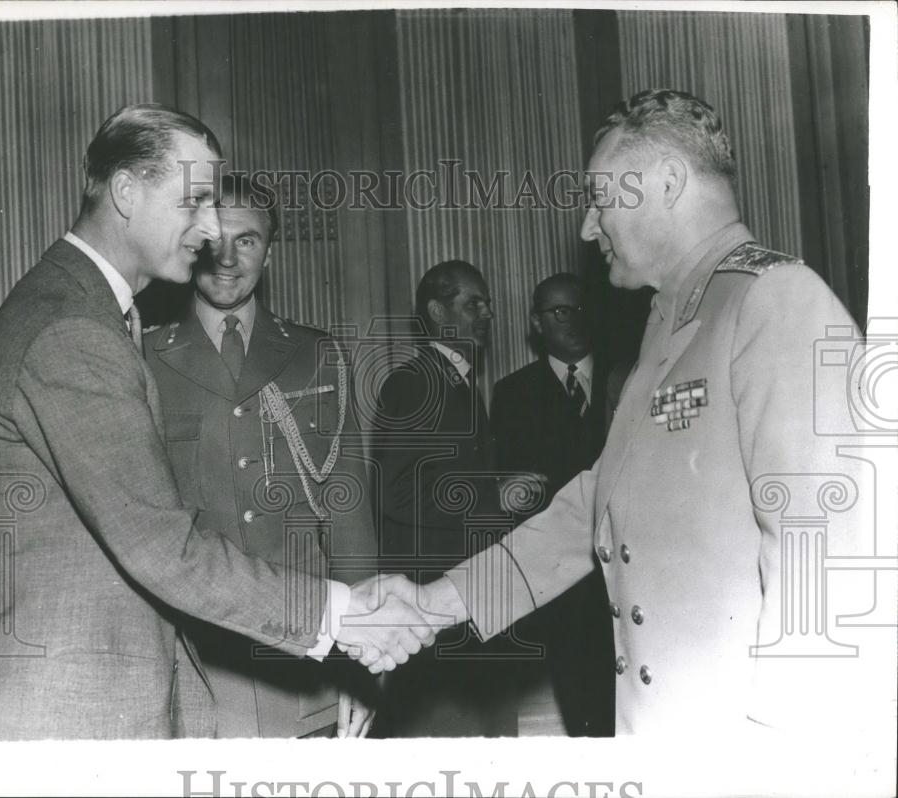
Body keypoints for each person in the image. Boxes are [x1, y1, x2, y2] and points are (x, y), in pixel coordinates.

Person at [398, 89, 875, 735]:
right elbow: (591, 506)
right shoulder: (665, 323)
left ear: (669, 182)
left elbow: (826, 550)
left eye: (600, 199)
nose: (589, 227)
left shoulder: (777, 300)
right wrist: (434, 605)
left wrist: (783, 746)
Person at [0, 104, 430, 741]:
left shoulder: (83, 310)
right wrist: (344, 614)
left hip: (123, 702)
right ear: (127, 192)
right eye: (196, 202)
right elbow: (160, 546)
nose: (210, 230)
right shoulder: (75, 330)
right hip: (74, 713)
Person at [143, 175, 378, 738]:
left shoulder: (316, 354)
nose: (227, 258)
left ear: (268, 252)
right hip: (193, 672)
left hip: (303, 667)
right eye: (212, 240)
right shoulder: (142, 355)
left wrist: (365, 662)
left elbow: (347, 516)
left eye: (246, 241)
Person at [370, 260, 516, 737]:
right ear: (436, 311)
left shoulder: (460, 383)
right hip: (434, 607)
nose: (487, 313)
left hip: (464, 601)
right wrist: (497, 494)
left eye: (488, 304)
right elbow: (396, 492)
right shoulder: (415, 383)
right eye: (473, 303)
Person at [489, 273, 620, 737]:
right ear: (536, 323)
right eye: (559, 312)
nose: (573, 320)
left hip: (629, 571)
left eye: (581, 308)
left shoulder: (630, 375)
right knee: (582, 712)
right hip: (561, 586)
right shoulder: (511, 394)